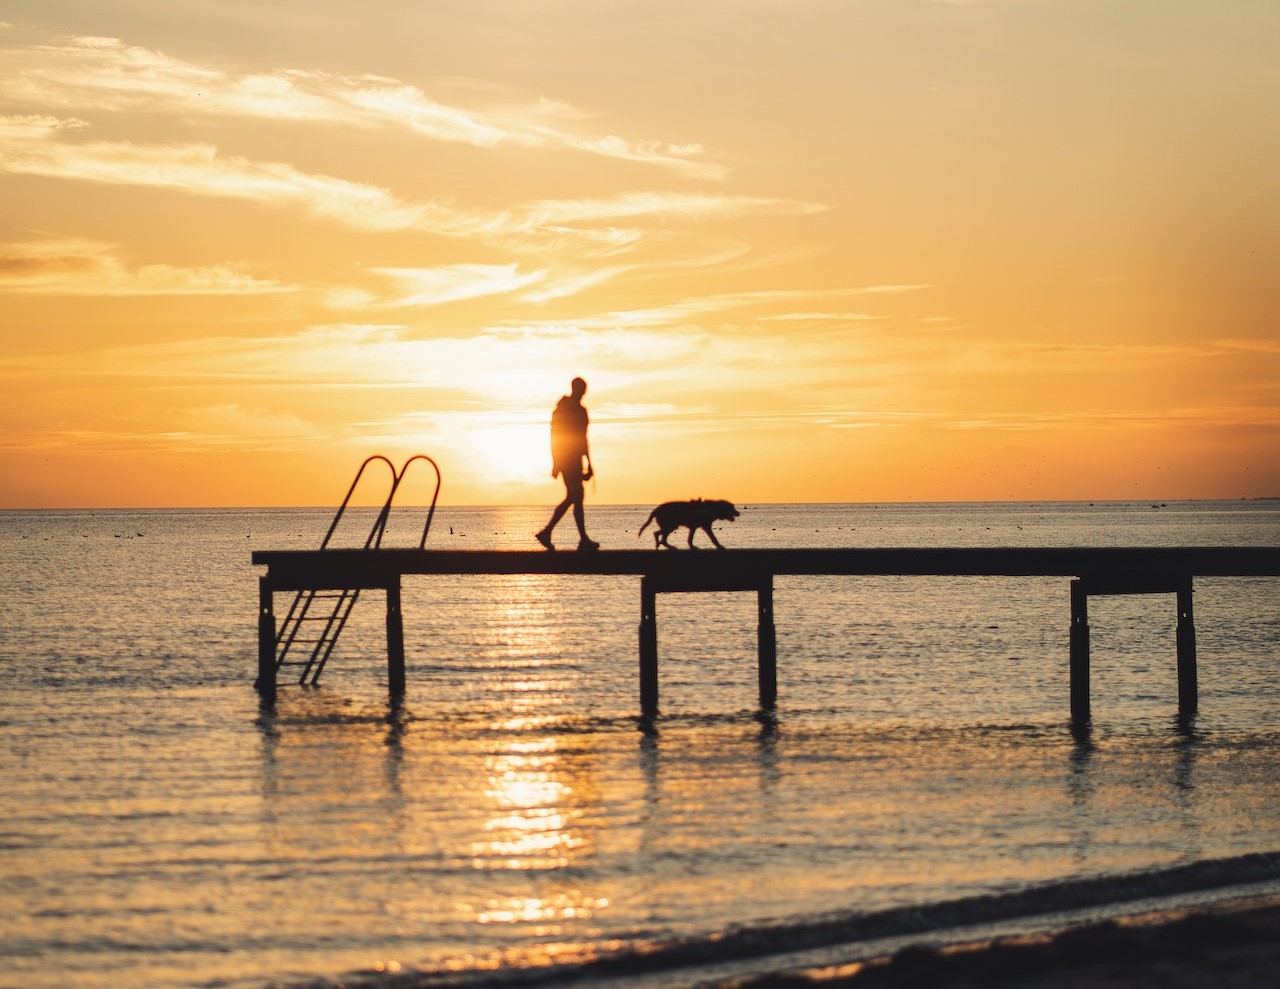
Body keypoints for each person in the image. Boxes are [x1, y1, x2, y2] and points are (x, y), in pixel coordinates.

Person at [535, 377, 598, 551]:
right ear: (575, 389)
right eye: (581, 389)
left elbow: (583, 438)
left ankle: (575, 538)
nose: (584, 393)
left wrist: (589, 463)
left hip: (576, 459)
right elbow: (554, 436)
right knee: (575, 495)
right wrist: (556, 462)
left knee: (576, 497)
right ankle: (551, 532)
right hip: (566, 459)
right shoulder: (561, 410)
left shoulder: (582, 411)